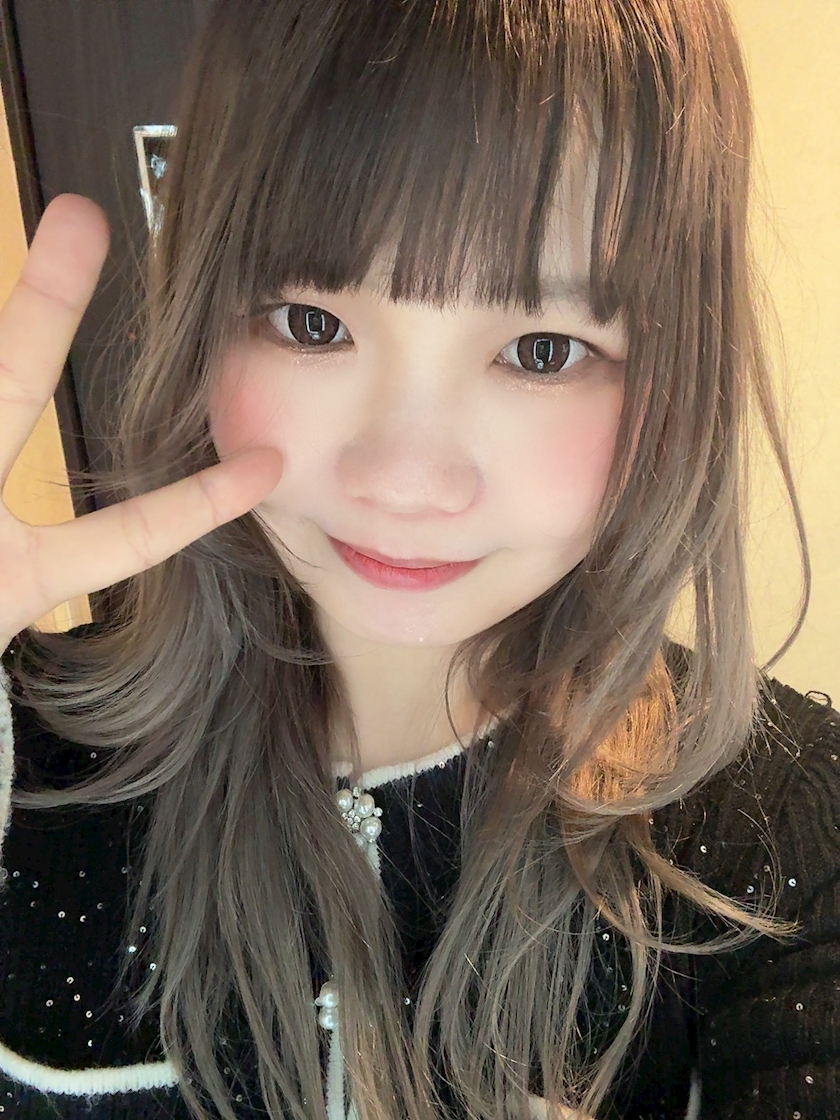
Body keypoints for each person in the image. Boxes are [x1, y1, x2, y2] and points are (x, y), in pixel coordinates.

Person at [0, 0, 837, 1117]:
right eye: (312, 323)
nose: (404, 479)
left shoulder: (774, 829)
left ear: (677, 375)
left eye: (544, 350)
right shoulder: (27, 755)